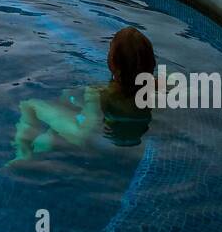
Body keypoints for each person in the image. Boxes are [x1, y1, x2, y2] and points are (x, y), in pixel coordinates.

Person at [9, 27, 156, 163]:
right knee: (65, 110)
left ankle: (23, 152)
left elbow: (85, 132)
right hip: (132, 137)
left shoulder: (99, 93)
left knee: (29, 105)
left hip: (89, 138)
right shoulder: (154, 85)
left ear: (112, 62)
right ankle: (48, 139)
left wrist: (86, 99)